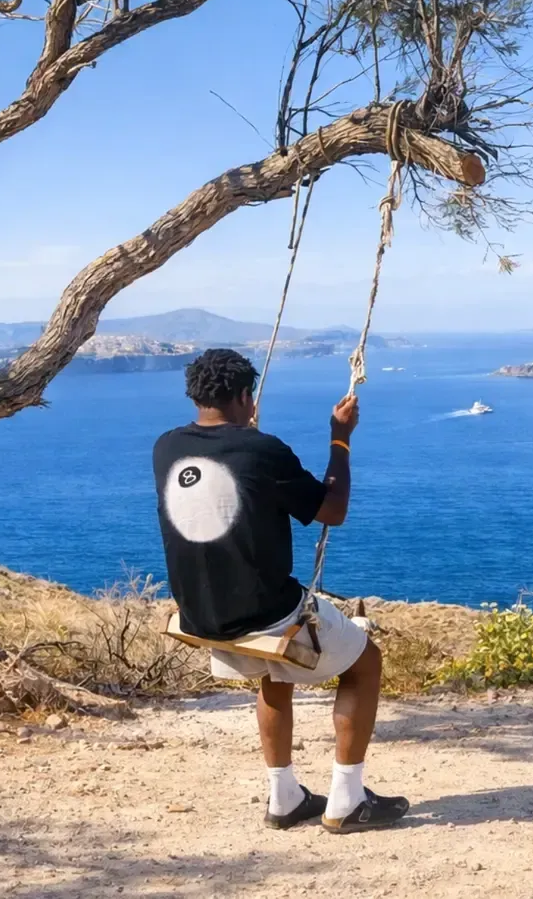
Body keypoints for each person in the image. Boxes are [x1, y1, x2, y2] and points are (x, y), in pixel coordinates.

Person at [152, 348, 409, 833]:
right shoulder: (262, 450)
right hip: (261, 612)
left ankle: (285, 797)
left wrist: (243, 435)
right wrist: (340, 439)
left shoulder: (166, 447)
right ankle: (347, 800)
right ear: (244, 396)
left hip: (201, 613)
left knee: (275, 668)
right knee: (365, 663)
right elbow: (332, 510)